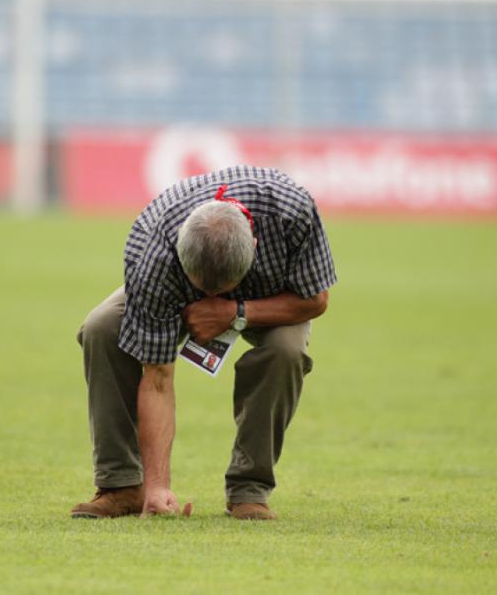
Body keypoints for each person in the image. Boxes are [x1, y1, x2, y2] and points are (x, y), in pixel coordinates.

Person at [72, 165, 337, 521]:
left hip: (272, 298)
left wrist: (235, 311)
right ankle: (122, 486)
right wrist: (158, 486)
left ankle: (249, 490)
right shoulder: (154, 252)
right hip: (172, 284)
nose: (209, 296)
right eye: (201, 288)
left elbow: (316, 300)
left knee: (285, 351)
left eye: (219, 289)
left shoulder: (292, 212)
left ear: (255, 248)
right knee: (101, 328)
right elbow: (158, 378)